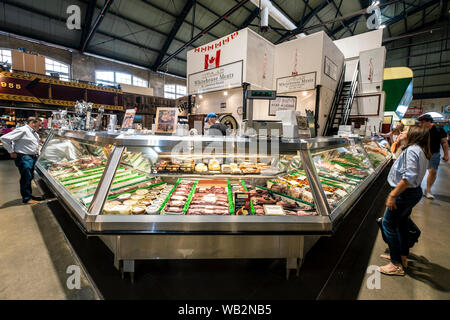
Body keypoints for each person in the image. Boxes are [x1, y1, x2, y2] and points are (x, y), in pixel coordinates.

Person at [377, 126, 431, 276]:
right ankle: (402, 256)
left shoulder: (413, 150)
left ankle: (395, 264)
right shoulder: (420, 149)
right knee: (400, 224)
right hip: (412, 192)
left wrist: (392, 195)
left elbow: (408, 178)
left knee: (388, 224)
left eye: (406, 130)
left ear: (414, 135)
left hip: (404, 193)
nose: (402, 132)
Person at [0, 117, 42, 204]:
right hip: (24, 157)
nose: (40, 126)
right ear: (33, 123)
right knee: (26, 178)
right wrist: (11, 151)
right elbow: (4, 138)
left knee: (29, 177)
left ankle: (29, 195)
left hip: (31, 157)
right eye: (39, 124)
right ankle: (27, 198)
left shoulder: (34, 133)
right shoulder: (23, 130)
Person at [417, 114, 449, 199]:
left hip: (434, 154)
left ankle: (428, 190)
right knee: (420, 171)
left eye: (422, 122)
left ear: (428, 122)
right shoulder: (420, 130)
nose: (420, 124)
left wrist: (446, 154)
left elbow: (444, 142)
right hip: (421, 153)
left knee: (433, 172)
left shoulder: (439, 130)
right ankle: (417, 189)